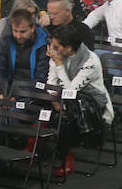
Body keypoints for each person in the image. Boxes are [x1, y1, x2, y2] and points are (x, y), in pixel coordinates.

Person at [46, 26, 114, 178]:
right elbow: (51, 82)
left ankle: (66, 157)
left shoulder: (90, 61)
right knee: (42, 106)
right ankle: (38, 148)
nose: (52, 49)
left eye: (56, 46)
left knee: (62, 121)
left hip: (92, 107)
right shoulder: (58, 54)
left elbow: (71, 90)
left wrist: (58, 65)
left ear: (69, 48)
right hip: (66, 101)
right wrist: (54, 99)